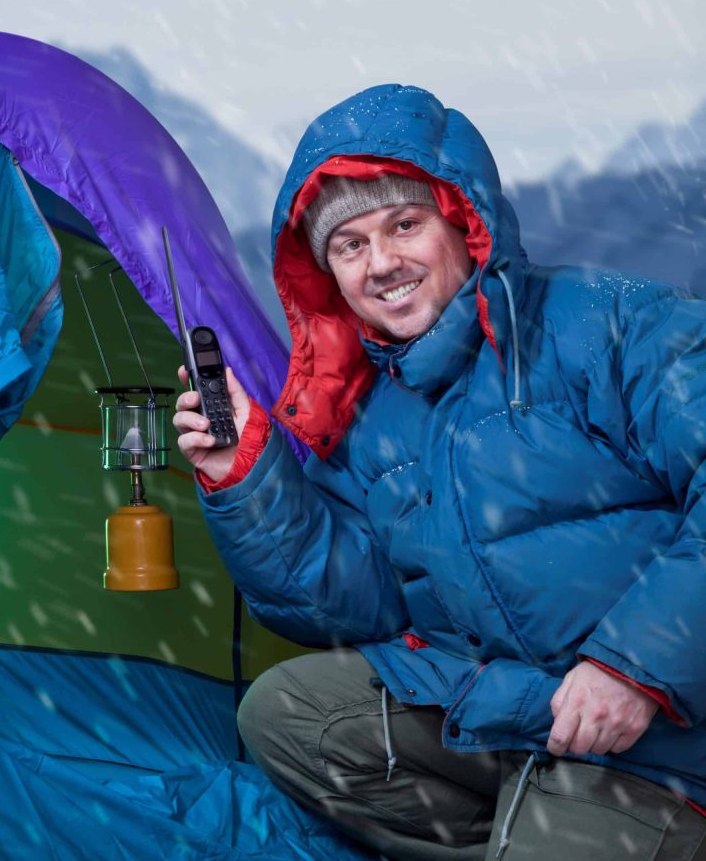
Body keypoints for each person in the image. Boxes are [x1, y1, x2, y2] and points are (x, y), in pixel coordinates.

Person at [173, 84, 706, 860]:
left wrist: (636, 668)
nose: (382, 262)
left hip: (662, 739)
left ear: (460, 220)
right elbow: (356, 605)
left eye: (404, 224)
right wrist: (244, 477)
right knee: (290, 714)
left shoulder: (607, 323)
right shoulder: (365, 412)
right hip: (522, 717)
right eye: (349, 246)